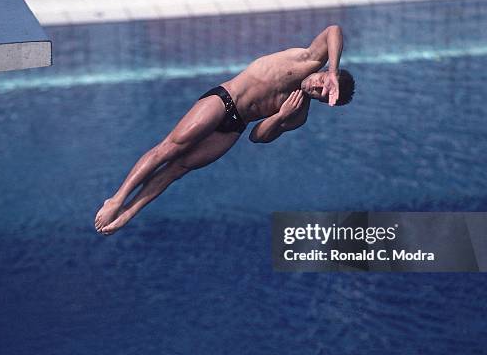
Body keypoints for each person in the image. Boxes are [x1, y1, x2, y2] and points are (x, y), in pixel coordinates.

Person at [95, 24, 355, 235]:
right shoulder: (307, 59)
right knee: (168, 149)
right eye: (322, 82)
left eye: (321, 93)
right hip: (225, 100)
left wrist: (280, 117)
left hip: (236, 127)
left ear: (323, 101)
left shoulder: (298, 114)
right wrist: (332, 70)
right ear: (325, 72)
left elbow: (258, 137)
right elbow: (334, 29)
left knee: (178, 169)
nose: (316, 88)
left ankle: (128, 213)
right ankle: (117, 199)